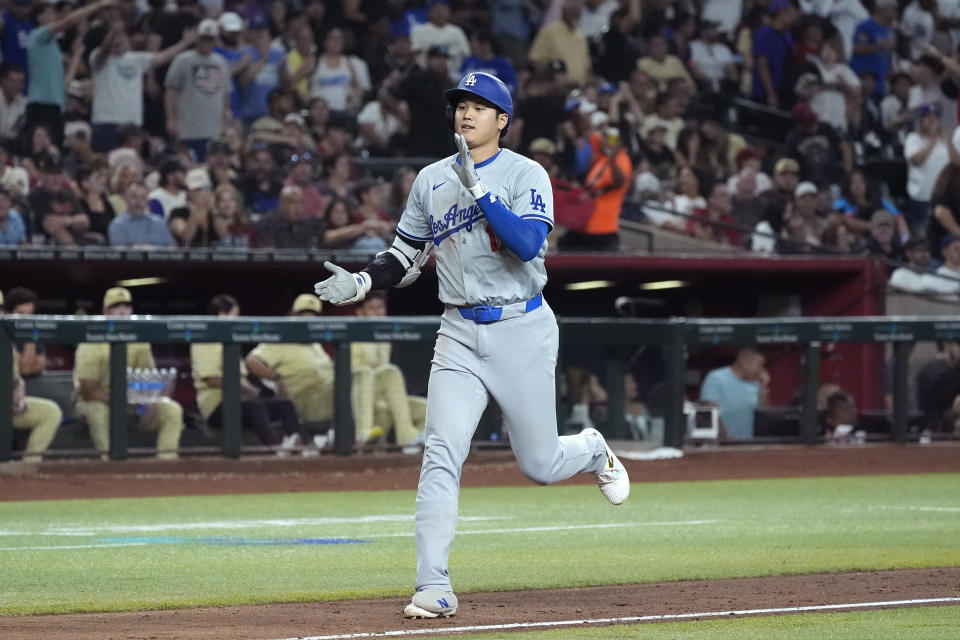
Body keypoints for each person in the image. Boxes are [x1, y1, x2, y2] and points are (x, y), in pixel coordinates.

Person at [314, 71, 630, 619]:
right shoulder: (430, 179)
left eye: (480, 106)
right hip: (458, 330)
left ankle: (591, 449)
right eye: (461, 104)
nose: (467, 112)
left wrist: (479, 189)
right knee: (441, 452)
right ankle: (432, 584)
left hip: (521, 327)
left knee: (539, 462)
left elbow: (529, 241)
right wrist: (364, 282)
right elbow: (405, 254)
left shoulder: (525, 172)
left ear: (501, 120)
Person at [73, 287, 184, 460]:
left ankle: (166, 462)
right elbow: (88, 390)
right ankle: (109, 461)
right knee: (96, 411)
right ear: (106, 312)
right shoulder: (91, 342)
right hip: (95, 401)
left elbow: (148, 379)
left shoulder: (139, 341)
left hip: (130, 401)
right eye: (117, 307)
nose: (123, 311)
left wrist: (150, 400)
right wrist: (123, 401)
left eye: (127, 306)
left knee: (172, 410)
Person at [191, 294, 306, 453]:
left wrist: (257, 389)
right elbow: (211, 379)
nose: (237, 320)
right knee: (254, 406)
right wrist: (245, 389)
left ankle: (303, 445)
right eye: (234, 316)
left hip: (241, 401)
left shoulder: (229, 339)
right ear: (222, 315)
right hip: (216, 406)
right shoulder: (206, 340)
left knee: (283, 404)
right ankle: (274, 449)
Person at [90, 21, 196, 153]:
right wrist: (113, 34)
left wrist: (184, 43)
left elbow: (162, 57)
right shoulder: (98, 58)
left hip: (132, 123)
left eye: (122, 39)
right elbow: (103, 51)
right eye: (115, 41)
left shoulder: (136, 59)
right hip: (106, 121)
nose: (119, 43)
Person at [25, 0, 113, 149]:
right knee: (38, 149)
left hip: (56, 105)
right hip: (41, 103)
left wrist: (77, 56)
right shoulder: (37, 36)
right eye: (50, 13)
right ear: (39, 17)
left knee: (55, 150)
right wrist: (97, 6)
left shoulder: (52, 46)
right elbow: (68, 21)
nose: (54, 16)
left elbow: (64, 84)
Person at [245, 294, 336, 431]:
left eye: (312, 317)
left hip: (327, 396)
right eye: (303, 316)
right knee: (350, 380)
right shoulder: (283, 338)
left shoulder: (314, 342)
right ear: (294, 316)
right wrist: (275, 378)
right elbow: (252, 361)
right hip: (305, 400)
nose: (308, 321)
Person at [351, 291, 426, 450]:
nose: (378, 313)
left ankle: (410, 443)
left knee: (427, 410)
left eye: (380, 307)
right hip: (359, 400)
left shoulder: (384, 337)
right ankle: (364, 434)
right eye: (372, 308)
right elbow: (354, 376)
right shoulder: (351, 335)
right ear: (360, 312)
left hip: (383, 399)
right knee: (383, 372)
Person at [1, 288, 60, 463]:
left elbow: (24, 372)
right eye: (20, 314)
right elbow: (26, 368)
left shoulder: (6, 339)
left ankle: (28, 467)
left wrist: (17, 392)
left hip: (7, 406)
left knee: (50, 411)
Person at [164, 19, 231, 162]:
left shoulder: (221, 62)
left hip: (214, 128)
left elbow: (225, 93)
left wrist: (226, 113)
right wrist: (170, 119)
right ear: (197, 39)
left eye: (210, 39)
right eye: (203, 39)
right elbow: (170, 90)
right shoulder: (183, 60)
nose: (206, 43)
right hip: (188, 128)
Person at [557, 126, 631, 251]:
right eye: (606, 138)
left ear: (621, 143)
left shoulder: (622, 160)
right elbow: (592, 135)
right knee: (563, 246)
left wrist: (613, 160)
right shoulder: (602, 158)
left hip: (603, 228)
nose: (607, 141)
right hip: (585, 223)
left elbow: (620, 182)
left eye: (612, 140)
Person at [699, 347, 770, 440]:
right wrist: (726, 437)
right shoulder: (716, 378)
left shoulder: (755, 384)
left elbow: (764, 414)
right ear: (744, 362)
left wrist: (764, 387)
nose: (761, 370)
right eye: (759, 365)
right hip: (721, 444)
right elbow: (710, 411)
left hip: (746, 444)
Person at [252, 184, 324, 249]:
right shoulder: (268, 222)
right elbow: (268, 255)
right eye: (293, 202)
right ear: (282, 204)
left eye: (301, 203)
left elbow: (309, 252)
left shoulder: (305, 224)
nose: (298, 207)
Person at [108, 182, 176, 249]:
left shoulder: (160, 222)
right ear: (126, 198)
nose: (138, 202)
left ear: (147, 200)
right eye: (134, 197)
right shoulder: (117, 225)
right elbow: (119, 254)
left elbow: (172, 248)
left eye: (143, 197)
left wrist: (152, 249)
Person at [889, 236, 960, 299]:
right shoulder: (900, 274)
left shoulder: (933, 276)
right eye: (919, 250)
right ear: (909, 253)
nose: (924, 254)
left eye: (927, 250)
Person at [916, 341, 960, 432]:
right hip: (939, 430)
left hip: (931, 428)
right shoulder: (944, 372)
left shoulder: (927, 368)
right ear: (947, 345)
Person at [4, 285, 45, 378]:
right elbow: (25, 370)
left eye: (29, 314)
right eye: (20, 314)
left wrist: (30, 335)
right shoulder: (3, 334)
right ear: (8, 313)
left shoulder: (35, 332)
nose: (26, 319)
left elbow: (40, 366)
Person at [0, 63, 26, 143]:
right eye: (13, 81)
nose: (17, 86)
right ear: (2, 81)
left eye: (20, 82)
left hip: (10, 146)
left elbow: (16, 132)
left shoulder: (24, 104)